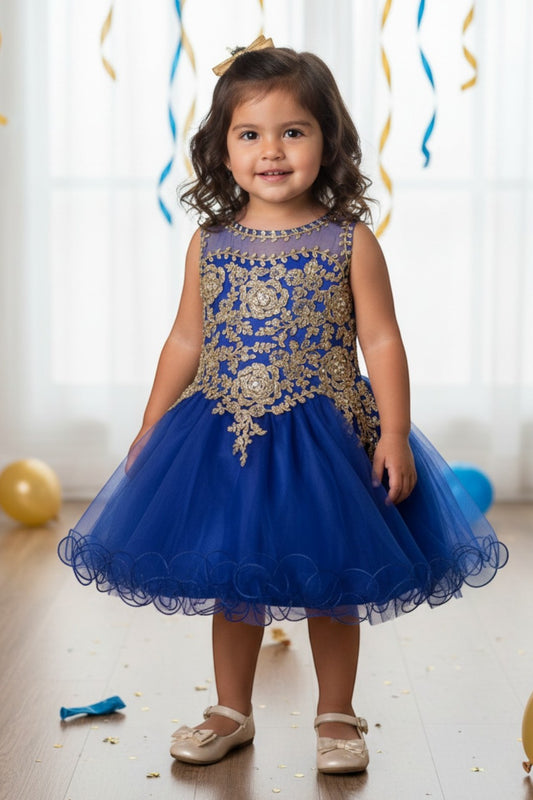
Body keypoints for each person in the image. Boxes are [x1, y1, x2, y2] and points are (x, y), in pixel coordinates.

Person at [58, 38, 508, 775]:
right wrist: (150, 424)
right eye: (249, 134)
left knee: (334, 579)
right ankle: (229, 709)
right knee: (234, 582)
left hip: (324, 440)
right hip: (224, 438)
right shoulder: (210, 244)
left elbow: (382, 342)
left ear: (326, 141)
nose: (271, 150)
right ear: (221, 149)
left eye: (292, 131)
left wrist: (392, 431)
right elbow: (183, 340)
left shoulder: (346, 240)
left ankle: (336, 712)